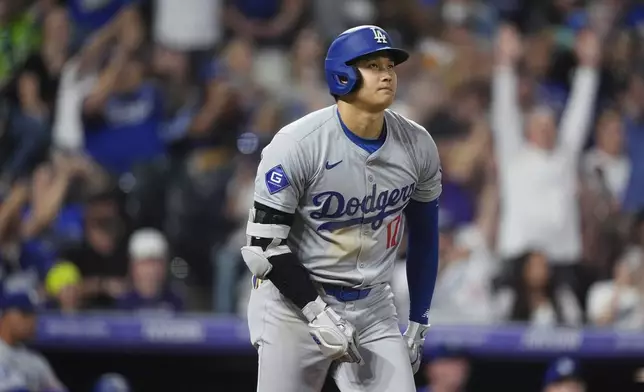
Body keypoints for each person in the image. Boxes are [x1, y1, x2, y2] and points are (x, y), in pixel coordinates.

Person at [241, 25, 442, 392]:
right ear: (343, 74)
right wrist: (314, 310)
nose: (386, 74)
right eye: (373, 64)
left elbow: (426, 236)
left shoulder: (417, 144)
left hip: (373, 306)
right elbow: (263, 248)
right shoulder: (297, 144)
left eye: (390, 66)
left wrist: (419, 319)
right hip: (294, 305)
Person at [0, 285, 67, 392]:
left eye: (33, 315)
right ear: (6, 316)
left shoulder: (36, 360)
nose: (32, 322)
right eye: (25, 314)